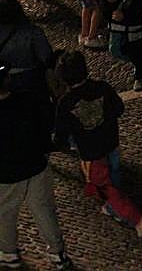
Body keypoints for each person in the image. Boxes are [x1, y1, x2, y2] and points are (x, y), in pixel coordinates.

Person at [53, 51, 142, 239]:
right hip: (111, 142)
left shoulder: (65, 103)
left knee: (104, 186)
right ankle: (114, 203)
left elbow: (61, 134)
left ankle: (135, 217)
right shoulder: (102, 88)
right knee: (113, 173)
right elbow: (119, 108)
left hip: (91, 152)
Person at [0, 65, 72, 270]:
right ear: (6, 80)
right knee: (44, 210)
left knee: (5, 214)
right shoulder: (27, 99)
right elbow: (45, 126)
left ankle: (9, 253)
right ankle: (58, 253)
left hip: (7, 175)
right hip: (36, 166)